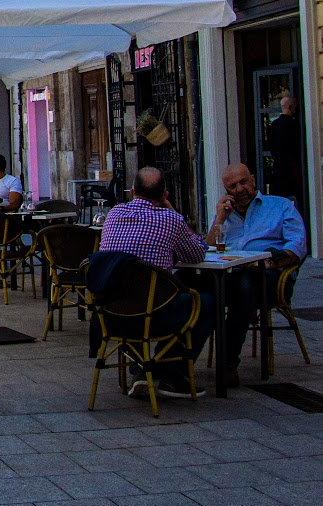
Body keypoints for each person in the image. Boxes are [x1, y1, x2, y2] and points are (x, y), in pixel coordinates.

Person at [98, 166, 213, 398]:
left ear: (132, 191)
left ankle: (140, 369)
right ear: (164, 195)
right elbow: (196, 254)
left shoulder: (113, 215)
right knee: (205, 303)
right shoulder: (170, 219)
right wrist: (173, 213)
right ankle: (171, 373)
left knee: (137, 290)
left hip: (112, 312)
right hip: (154, 314)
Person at [205, 161, 308, 385]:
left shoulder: (280, 206)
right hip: (230, 276)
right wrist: (220, 219)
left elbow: (298, 245)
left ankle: (228, 361)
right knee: (192, 285)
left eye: (243, 182)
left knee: (245, 284)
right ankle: (174, 364)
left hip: (270, 278)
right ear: (226, 191)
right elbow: (207, 248)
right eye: (232, 186)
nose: (240, 189)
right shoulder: (226, 214)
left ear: (253, 179)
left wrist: (270, 263)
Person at [266, 94, 304, 204]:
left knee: (278, 202)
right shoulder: (293, 124)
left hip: (278, 170)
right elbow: (296, 147)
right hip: (292, 170)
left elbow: (270, 145)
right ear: (291, 108)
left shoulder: (274, 124)